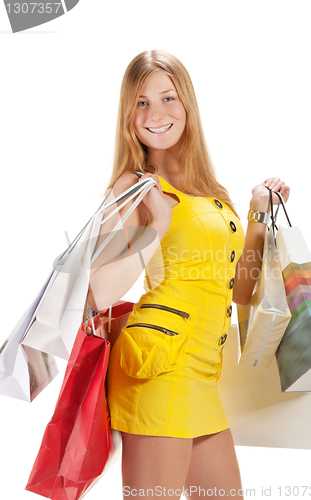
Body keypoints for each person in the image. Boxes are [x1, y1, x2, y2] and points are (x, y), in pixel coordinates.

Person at [87, 50, 290, 500]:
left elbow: (240, 289)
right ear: (128, 114)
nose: (156, 114)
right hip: (159, 367)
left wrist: (257, 213)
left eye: (167, 98)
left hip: (202, 372)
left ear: (187, 105)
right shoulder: (133, 185)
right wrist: (156, 225)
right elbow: (97, 292)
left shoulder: (210, 190)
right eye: (141, 102)